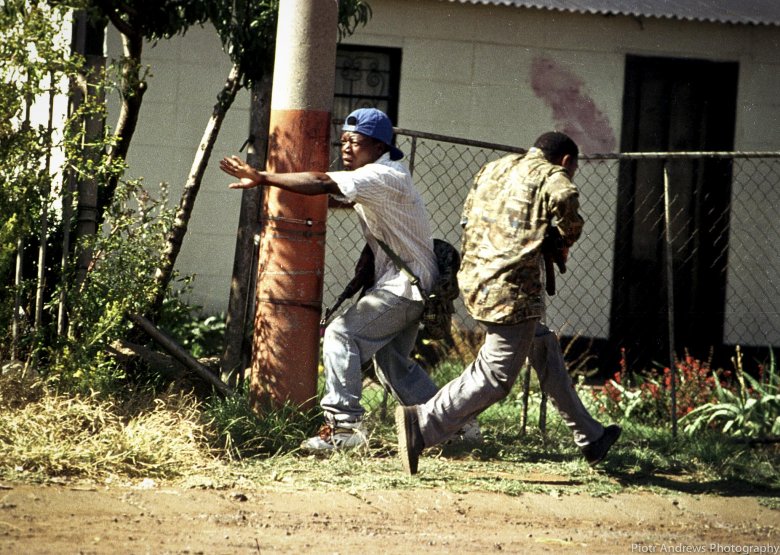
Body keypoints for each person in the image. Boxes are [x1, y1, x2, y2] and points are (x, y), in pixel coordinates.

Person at [220, 107, 464, 451]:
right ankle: (455, 425)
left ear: (379, 146)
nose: (346, 147)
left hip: (404, 286)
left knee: (341, 335)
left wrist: (262, 177)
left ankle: (344, 427)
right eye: (344, 140)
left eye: (355, 141)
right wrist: (370, 259)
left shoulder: (381, 175)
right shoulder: (381, 174)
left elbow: (321, 183)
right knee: (392, 364)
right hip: (411, 283)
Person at [395, 131, 621, 474]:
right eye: (571, 169)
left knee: (543, 347)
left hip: (476, 279)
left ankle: (591, 437)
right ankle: (423, 424)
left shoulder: (493, 168)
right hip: (512, 291)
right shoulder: (551, 173)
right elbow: (565, 196)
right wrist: (564, 238)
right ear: (566, 161)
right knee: (497, 376)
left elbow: (468, 220)